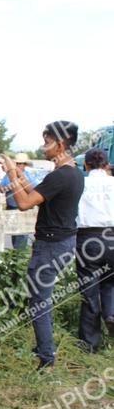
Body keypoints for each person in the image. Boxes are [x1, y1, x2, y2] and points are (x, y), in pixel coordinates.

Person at [0, 120, 83, 369]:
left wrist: (13, 174)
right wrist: (21, 175)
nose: (43, 147)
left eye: (47, 142)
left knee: (39, 302)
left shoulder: (61, 175)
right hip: (63, 242)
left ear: (59, 144)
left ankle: (46, 358)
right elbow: (37, 195)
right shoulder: (73, 172)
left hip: (50, 247)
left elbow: (25, 203)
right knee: (41, 299)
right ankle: (44, 347)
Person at [74, 148, 114, 353]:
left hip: (89, 238)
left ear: (86, 165)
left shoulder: (81, 183)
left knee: (89, 290)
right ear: (106, 165)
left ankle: (90, 344)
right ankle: (111, 312)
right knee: (110, 282)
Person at [0, 153, 44, 249]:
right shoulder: (8, 175)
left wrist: (20, 184)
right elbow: (1, 188)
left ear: (25, 165)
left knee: (22, 235)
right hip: (11, 208)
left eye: (20, 164)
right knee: (15, 234)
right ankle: (17, 255)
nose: (18, 165)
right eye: (17, 163)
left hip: (24, 209)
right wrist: (8, 187)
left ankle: (19, 254)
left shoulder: (29, 176)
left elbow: (35, 190)